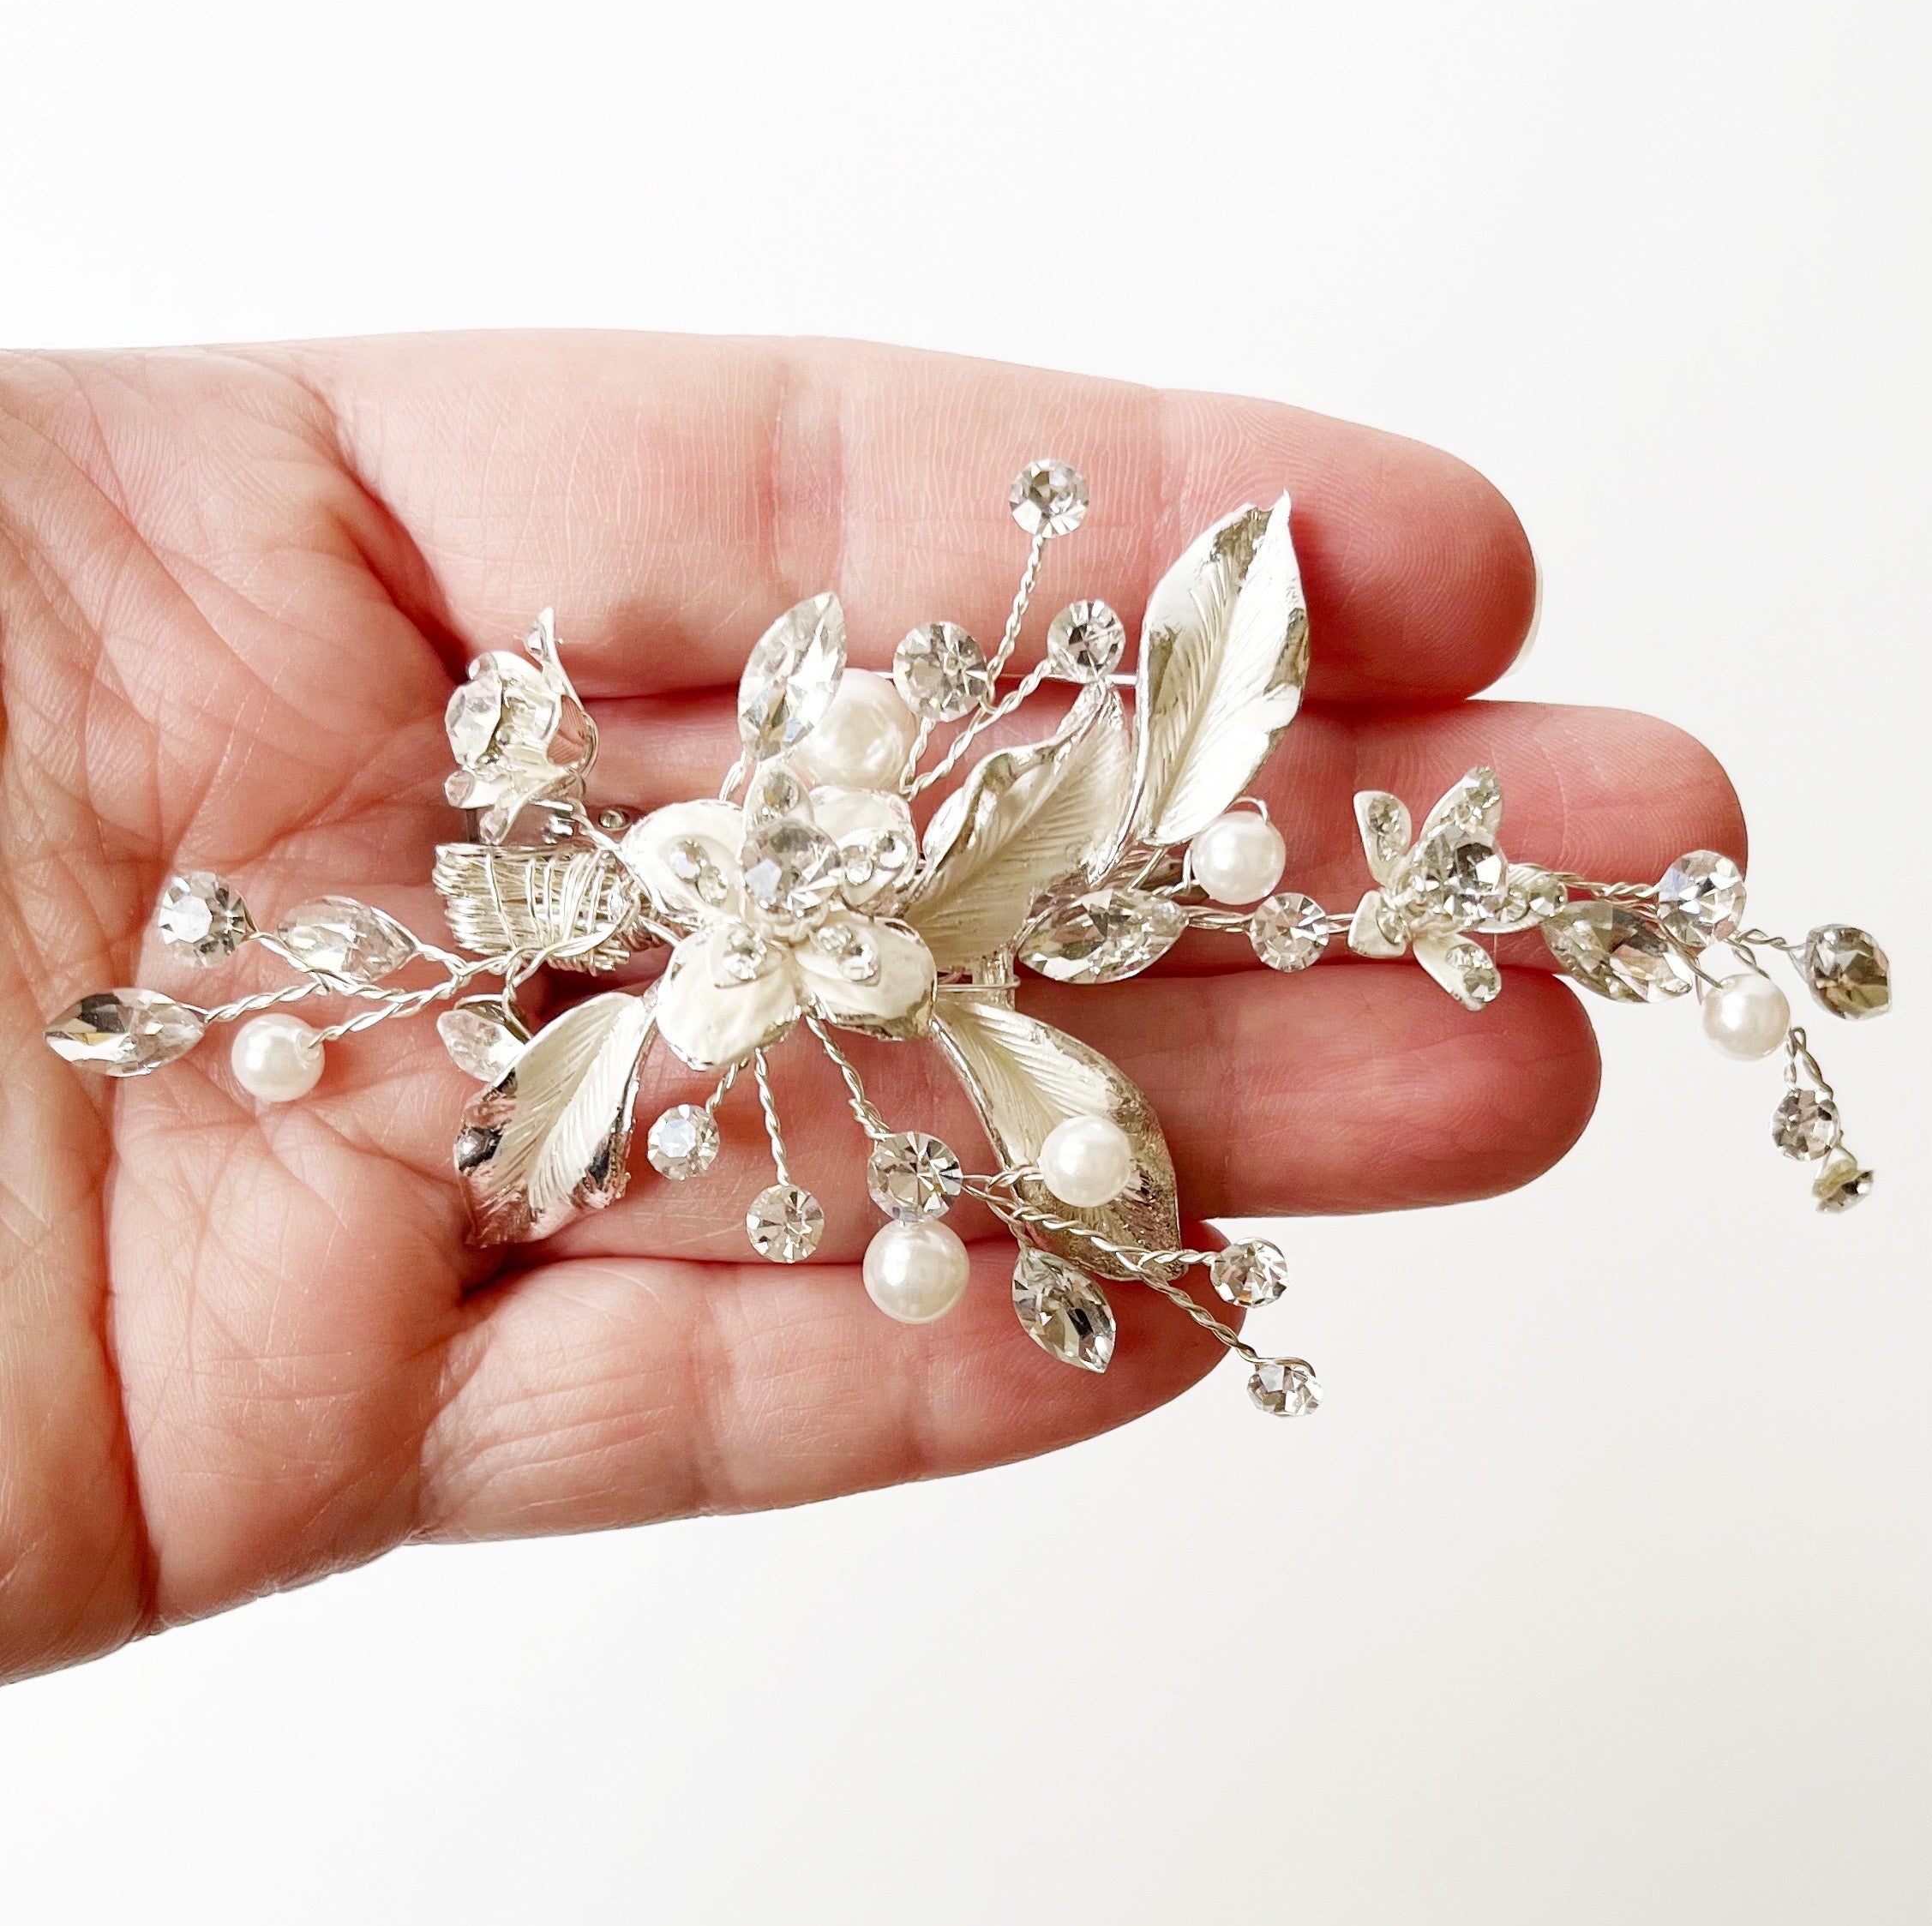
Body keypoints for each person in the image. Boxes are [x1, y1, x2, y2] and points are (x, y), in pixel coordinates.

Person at [0, 332, 1741, 1683]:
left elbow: (891, 931)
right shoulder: (698, 946)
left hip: (882, 934)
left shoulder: (849, 924)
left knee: (1198, 925)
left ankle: (1597, 919)